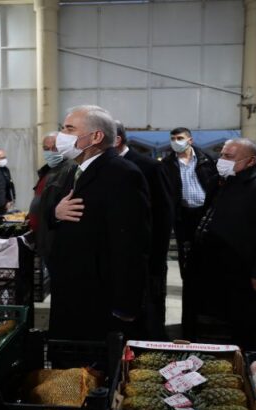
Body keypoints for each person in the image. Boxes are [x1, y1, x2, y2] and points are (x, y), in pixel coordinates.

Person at [47, 105, 151, 341]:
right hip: (74, 284)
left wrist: (126, 304)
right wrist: (56, 212)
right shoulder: (76, 170)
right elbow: (57, 211)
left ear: (96, 136)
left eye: (69, 129)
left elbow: (132, 243)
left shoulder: (122, 173)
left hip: (98, 293)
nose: (61, 135)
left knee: (93, 366)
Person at [192, 139, 256, 350]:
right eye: (221, 155)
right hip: (219, 270)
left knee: (246, 332)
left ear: (251, 161)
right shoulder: (226, 181)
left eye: (229, 157)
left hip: (246, 274)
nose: (221, 161)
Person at [115, 121, 174, 339]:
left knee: (149, 309)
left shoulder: (149, 167)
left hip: (147, 255)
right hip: (121, 257)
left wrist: (156, 258)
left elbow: (163, 215)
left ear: (116, 140)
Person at [161, 127, 217, 337]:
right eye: (173, 138)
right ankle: (191, 321)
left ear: (190, 140)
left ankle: (207, 316)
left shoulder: (206, 160)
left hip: (205, 214)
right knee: (189, 268)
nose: (176, 142)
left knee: (208, 266)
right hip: (183, 216)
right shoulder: (167, 164)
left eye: (180, 138)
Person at [28, 132, 76, 264]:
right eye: (46, 149)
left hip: (55, 238)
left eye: (55, 147)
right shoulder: (48, 170)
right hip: (43, 235)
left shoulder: (70, 169)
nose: (50, 152)